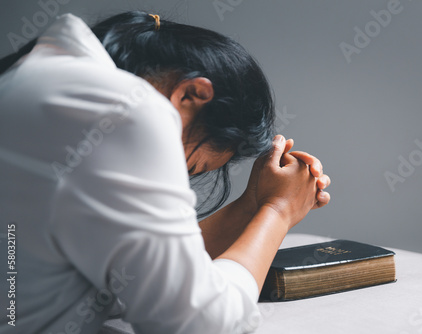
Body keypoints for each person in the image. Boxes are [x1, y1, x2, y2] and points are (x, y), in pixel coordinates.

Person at [0, 11, 331, 334]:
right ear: (192, 94)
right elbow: (199, 323)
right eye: (187, 165)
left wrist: (255, 204)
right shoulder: (126, 110)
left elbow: (140, 264)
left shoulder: (39, 81)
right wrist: (278, 211)